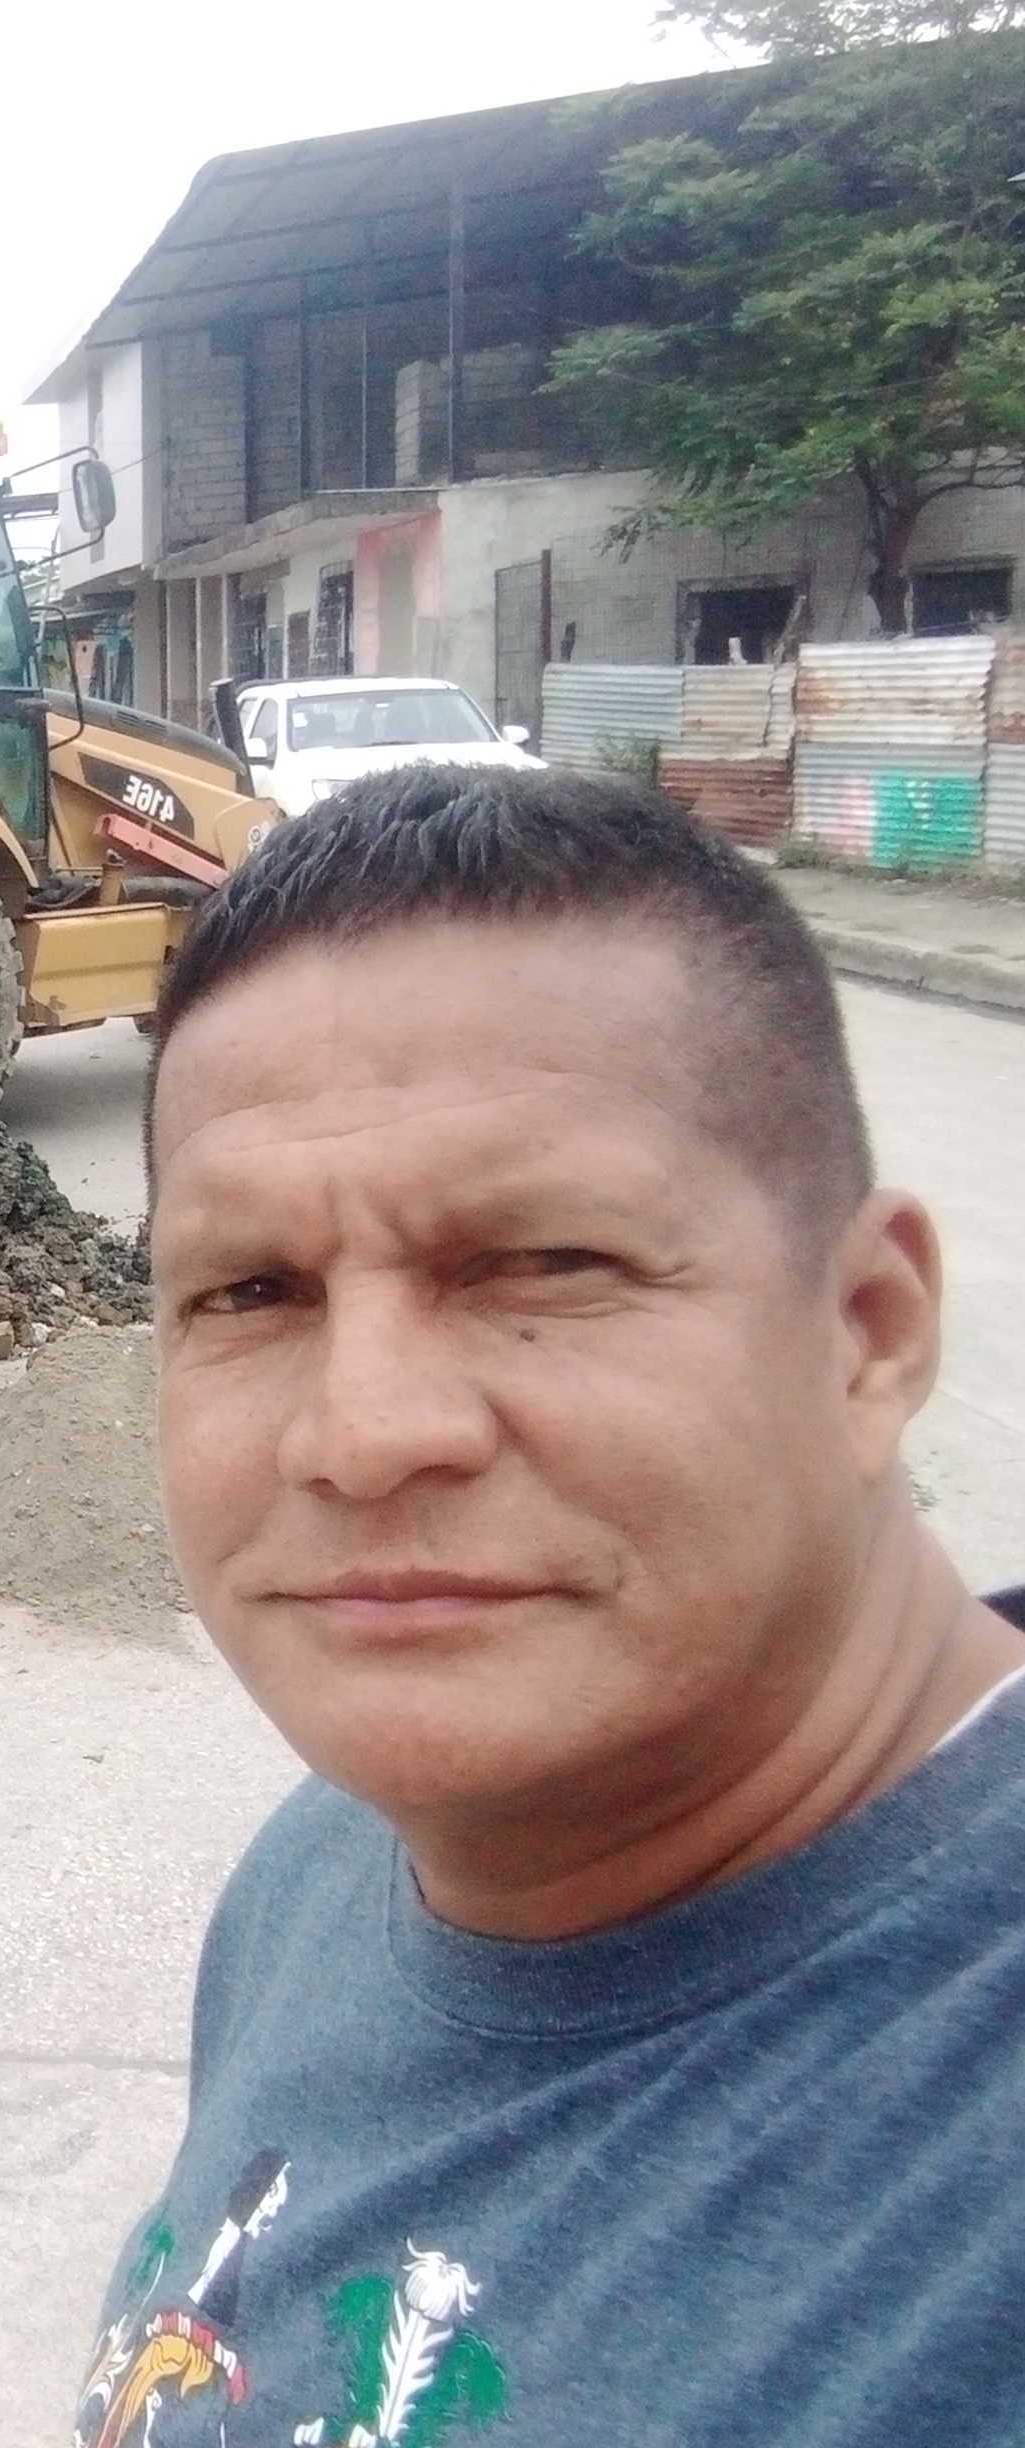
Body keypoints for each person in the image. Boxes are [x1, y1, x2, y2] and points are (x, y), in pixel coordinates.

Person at [77, 764, 1025, 2444]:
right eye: (250, 1290)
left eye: (541, 1262)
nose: (362, 1431)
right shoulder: (323, 1872)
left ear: (866, 1331)